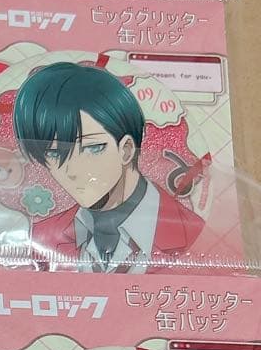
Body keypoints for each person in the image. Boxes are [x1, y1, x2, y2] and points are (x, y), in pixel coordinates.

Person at [13, 62, 204, 270]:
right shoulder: (41, 238)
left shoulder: (193, 232)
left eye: (92, 148)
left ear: (126, 149)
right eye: (54, 153)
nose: (72, 170)